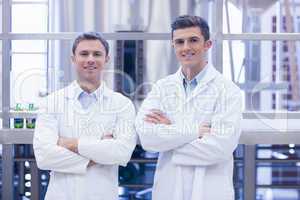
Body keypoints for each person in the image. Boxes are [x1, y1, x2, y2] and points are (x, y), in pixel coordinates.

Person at [135, 15, 242, 200]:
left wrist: (169, 135)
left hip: (210, 191)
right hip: (169, 190)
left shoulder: (228, 90)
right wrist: (194, 131)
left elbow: (220, 148)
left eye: (193, 40)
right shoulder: (162, 87)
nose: (186, 48)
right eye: (180, 42)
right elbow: (147, 138)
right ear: (173, 45)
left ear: (207, 44)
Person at [33, 32, 137, 200]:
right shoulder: (51, 102)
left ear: (107, 59)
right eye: (84, 54)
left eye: (97, 54)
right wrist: (98, 155)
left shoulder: (122, 104)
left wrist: (71, 143)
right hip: (62, 195)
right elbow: (44, 157)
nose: (90, 59)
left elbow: (122, 153)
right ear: (73, 59)